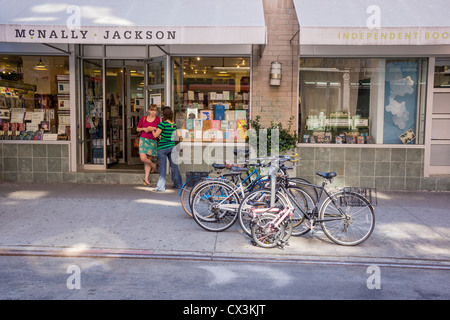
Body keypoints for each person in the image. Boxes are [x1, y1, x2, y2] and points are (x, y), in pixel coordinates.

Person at [151, 106, 182, 191]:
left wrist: (153, 130)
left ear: (164, 114)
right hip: (172, 147)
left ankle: (161, 187)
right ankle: (178, 185)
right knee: (174, 166)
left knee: (162, 167)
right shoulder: (174, 124)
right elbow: (172, 136)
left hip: (163, 148)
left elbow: (155, 135)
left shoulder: (162, 124)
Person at [137, 104, 160, 186]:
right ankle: (153, 165)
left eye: (155, 110)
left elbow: (159, 129)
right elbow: (137, 128)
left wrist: (153, 128)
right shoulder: (143, 119)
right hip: (143, 139)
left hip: (152, 140)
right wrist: (144, 129)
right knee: (143, 158)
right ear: (149, 111)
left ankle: (146, 179)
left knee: (148, 159)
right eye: (152, 110)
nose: (153, 112)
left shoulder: (158, 119)